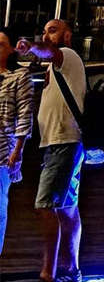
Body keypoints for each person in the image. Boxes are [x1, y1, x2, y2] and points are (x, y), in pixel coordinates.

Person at [16, 20, 86, 282]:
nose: (47, 35)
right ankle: (71, 270)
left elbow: (48, 51)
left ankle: (49, 273)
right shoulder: (58, 68)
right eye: (43, 31)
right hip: (61, 142)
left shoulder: (67, 55)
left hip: (63, 143)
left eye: (52, 30)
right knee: (68, 207)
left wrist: (31, 46)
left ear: (67, 35)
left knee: (45, 205)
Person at [0, 29, 34, 253]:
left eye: (2, 44)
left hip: (2, 151)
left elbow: (25, 113)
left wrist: (19, 148)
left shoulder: (19, 77)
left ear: (12, 49)